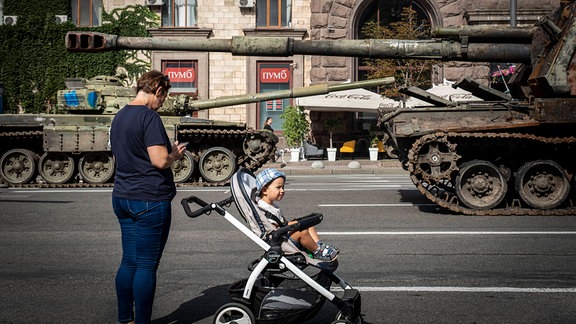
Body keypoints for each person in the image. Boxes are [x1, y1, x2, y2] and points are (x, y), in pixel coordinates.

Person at [110, 70, 187, 324]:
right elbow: (159, 160)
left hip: (122, 196)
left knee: (128, 262)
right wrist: (174, 154)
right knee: (145, 267)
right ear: (157, 90)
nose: (163, 102)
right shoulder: (149, 117)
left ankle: (125, 319)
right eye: (164, 96)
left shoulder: (119, 117)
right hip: (149, 199)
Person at [255, 168, 338, 261]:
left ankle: (317, 247)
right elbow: (273, 230)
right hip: (279, 243)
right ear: (265, 190)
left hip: (282, 236)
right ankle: (317, 251)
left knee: (308, 225)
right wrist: (292, 226)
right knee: (301, 232)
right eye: (278, 188)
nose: (282, 191)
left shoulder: (272, 206)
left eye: (283, 187)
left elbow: (282, 224)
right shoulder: (263, 209)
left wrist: (295, 224)